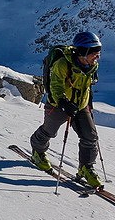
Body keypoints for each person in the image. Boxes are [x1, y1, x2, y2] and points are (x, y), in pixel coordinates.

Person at [29, 31, 104, 188]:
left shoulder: (92, 66)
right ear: (83, 52)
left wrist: (88, 103)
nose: (97, 56)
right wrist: (63, 102)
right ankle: (38, 150)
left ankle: (86, 167)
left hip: (81, 106)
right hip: (58, 105)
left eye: (98, 52)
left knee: (90, 137)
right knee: (49, 132)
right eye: (94, 53)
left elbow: (87, 85)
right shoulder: (62, 64)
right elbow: (55, 86)